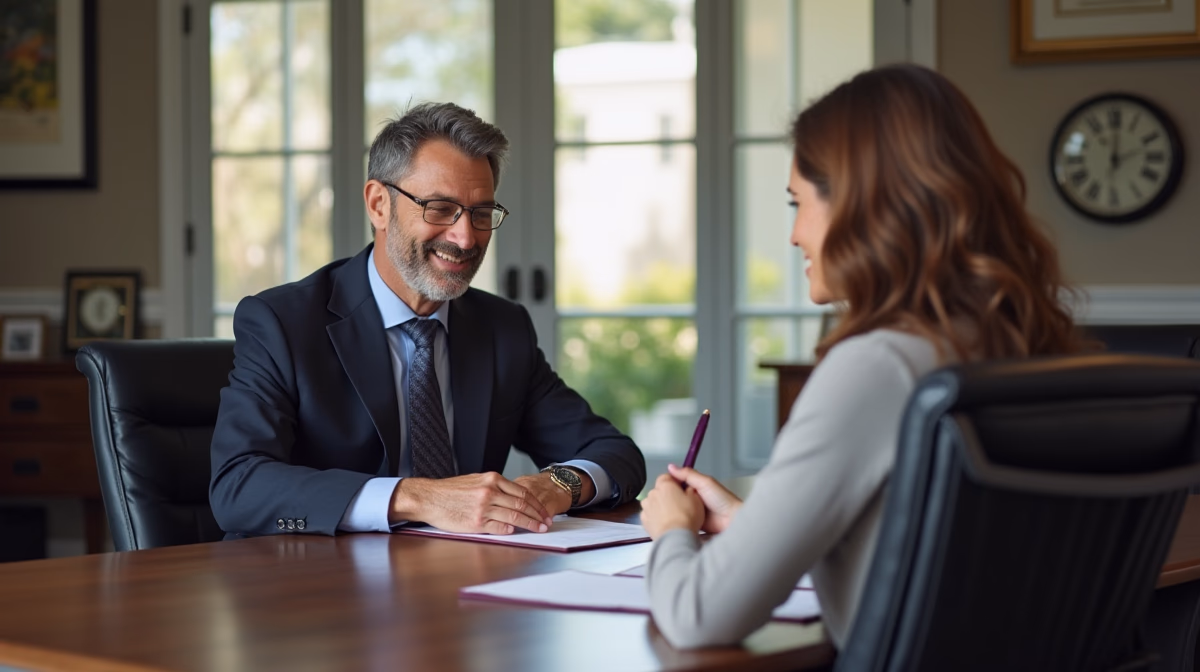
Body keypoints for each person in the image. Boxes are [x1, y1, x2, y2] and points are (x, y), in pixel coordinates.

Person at [638, 64, 1083, 649]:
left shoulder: (875, 368)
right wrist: (755, 525)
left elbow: (698, 616)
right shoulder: (1024, 346)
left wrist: (672, 529)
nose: (795, 234)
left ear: (858, 205)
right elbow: (939, 556)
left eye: (799, 203)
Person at [210, 102, 646, 538]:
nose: (465, 237)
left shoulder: (501, 328)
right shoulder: (282, 324)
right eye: (440, 208)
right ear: (379, 205)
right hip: (323, 585)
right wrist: (417, 497)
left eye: (481, 213)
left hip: (465, 580)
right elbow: (238, 488)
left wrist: (557, 484)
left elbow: (616, 454)